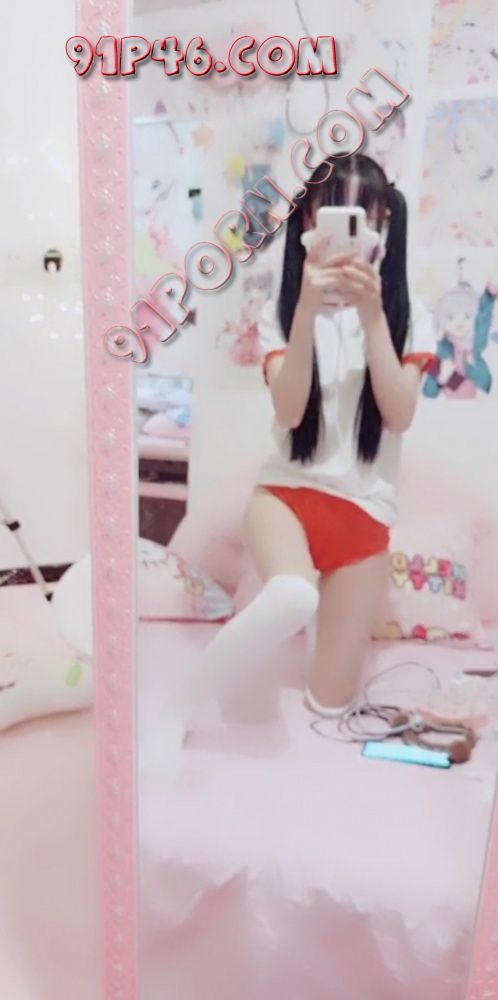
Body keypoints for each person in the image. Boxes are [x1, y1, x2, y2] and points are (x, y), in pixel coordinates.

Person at [177, 152, 437, 731]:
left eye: (365, 214)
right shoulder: (281, 311)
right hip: (286, 497)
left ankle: (296, 625)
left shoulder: (410, 315)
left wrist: (373, 316)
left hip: (364, 514)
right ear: (308, 223)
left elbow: (399, 415)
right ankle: (183, 700)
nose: (352, 228)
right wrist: (306, 312)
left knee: (330, 705)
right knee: (293, 593)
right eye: (335, 210)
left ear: (384, 225)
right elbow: (291, 412)